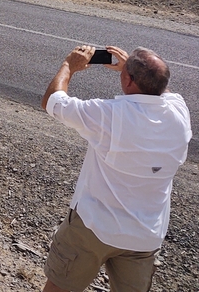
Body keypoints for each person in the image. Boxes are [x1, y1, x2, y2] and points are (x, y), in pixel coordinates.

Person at [41, 45, 192, 292]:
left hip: (93, 226)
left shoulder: (109, 115)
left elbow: (53, 101)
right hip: (145, 236)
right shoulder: (179, 113)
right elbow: (162, 91)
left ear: (127, 80)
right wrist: (131, 71)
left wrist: (69, 65)